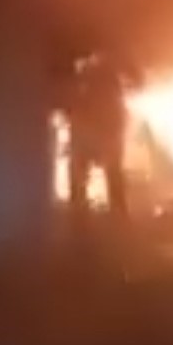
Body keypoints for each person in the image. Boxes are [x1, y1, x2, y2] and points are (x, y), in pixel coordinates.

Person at [63, 51, 129, 221]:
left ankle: (81, 214)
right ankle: (115, 214)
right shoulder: (102, 80)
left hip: (98, 132)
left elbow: (73, 107)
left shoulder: (89, 78)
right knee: (110, 173)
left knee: (87, 174)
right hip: (98, 132)